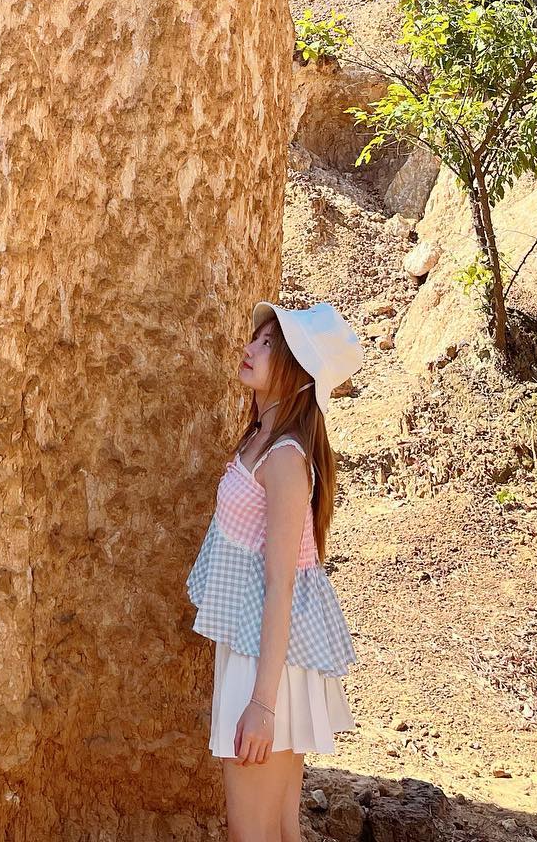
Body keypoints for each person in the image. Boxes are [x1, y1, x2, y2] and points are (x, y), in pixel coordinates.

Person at [185, 299, 364, 841]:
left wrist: (262, 705)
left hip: (268, 666)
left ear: (298, 373)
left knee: (253, 833)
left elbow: (283, 585)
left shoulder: (285, 458)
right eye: (256, 338)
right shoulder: (262, 440)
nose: (250, 348)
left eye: (268, 344)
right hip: (259, 651)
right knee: (277, 831)